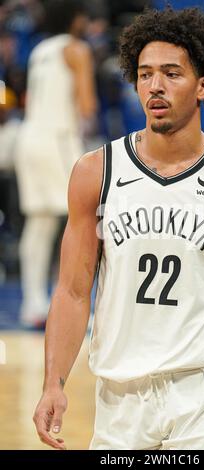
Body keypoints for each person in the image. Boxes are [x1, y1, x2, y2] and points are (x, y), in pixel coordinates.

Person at [33, 7, 204, 450]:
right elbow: (74, 292)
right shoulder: (96, 172)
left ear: (203, 86)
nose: (155, 85)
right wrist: (53, 383)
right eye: (145, 73)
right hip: (120, 397)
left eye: (172, 73)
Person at [15, 0, 97, 328]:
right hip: (59, 139)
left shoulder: (39, 50)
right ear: (75, 19)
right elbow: (87, 105)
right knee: (87, 220)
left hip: (29, 136)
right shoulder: (77, 49)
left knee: (40, 223)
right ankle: (81, 308)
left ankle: (32, 304)